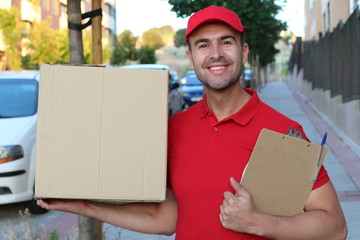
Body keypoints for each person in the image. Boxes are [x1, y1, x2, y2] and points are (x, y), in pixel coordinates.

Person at [37, 5, 347, 240]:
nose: (215, 54)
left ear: (244, 52)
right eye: (203, 45)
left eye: (226, 42)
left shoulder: (282, 132)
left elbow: (335, 227)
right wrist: (85, 207)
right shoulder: (174, 129)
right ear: (190, 57)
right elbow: (167, 218)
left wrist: (258, 222)